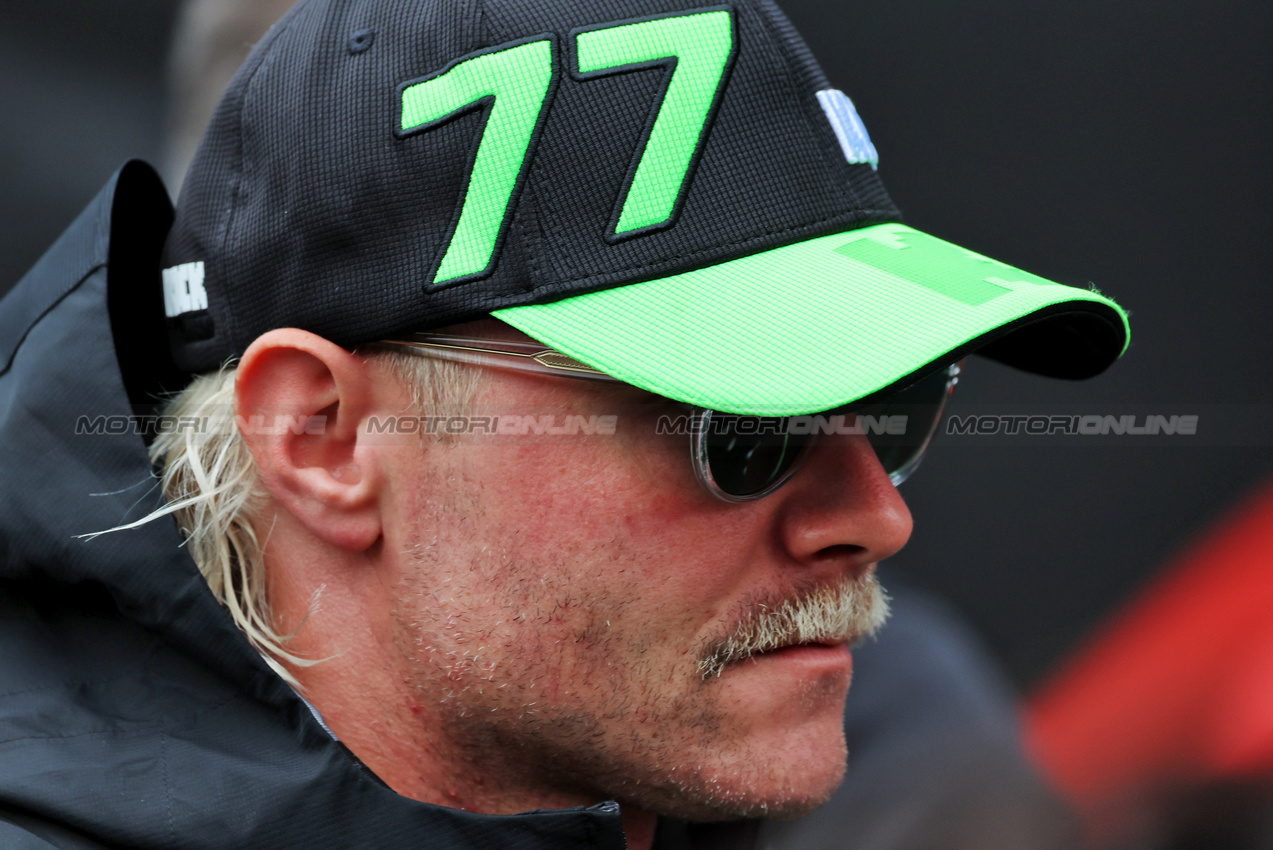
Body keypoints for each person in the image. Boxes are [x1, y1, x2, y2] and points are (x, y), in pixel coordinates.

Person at [0, 0, 1129, 847]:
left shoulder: (901, 769)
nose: (875, 517)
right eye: (737, 425)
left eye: (894, 410)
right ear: (324, 440)